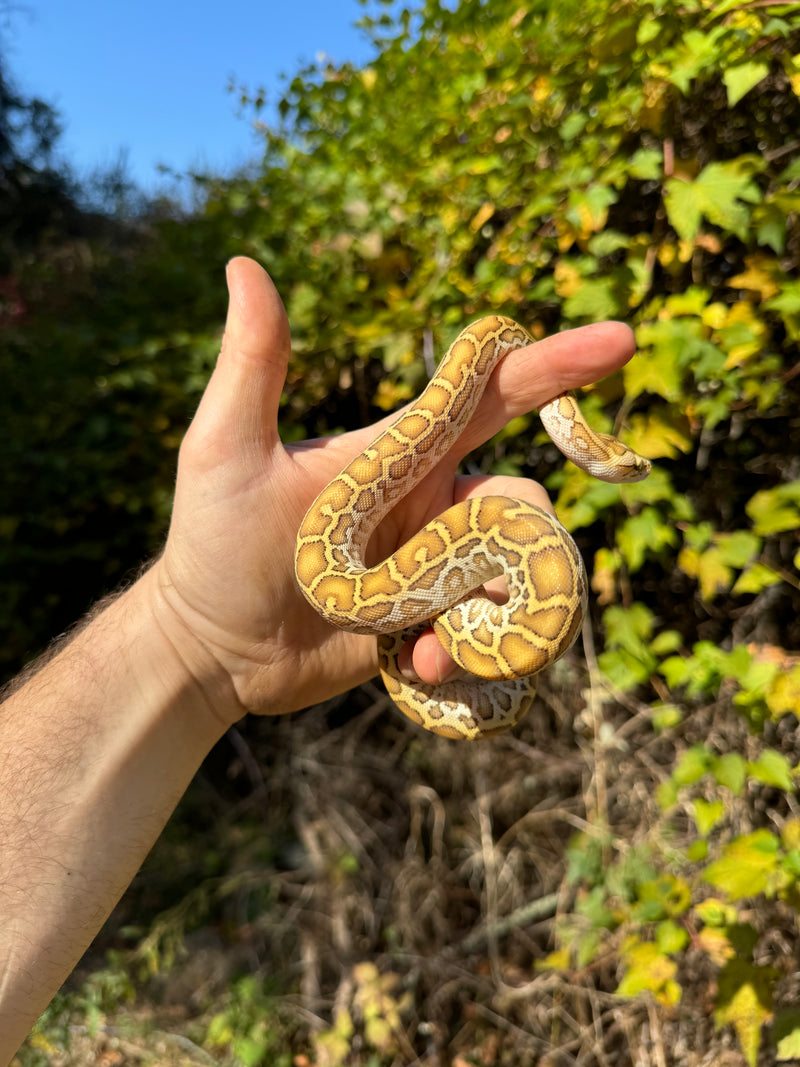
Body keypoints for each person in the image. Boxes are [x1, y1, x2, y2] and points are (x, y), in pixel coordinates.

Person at [0, 256, 636, 1059]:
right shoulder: (500, 451)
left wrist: (187, 638)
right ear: (595, 446)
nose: (629, 469)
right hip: (407, 590)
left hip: (406, 597)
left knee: (486, 603)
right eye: (627, 463)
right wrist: (190, 629)